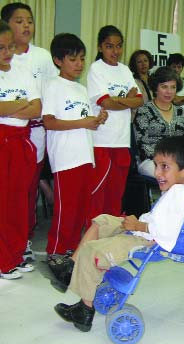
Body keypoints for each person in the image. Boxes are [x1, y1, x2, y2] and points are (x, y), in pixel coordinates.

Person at [53, 136, 184, 332]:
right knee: (103, 221)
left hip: (146, 240)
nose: (157, 172)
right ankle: (71, 268)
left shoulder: (178, 194)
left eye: (164, 166)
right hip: (143, 229)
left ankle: (85, 310)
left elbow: (167, 232)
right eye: (156, 165)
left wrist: (139, 225)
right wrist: (140, 222)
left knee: (93, 250)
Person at [42, 34, 107, 262]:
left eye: (81, 58)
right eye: (73, 59)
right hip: (66, 159)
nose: (79, 64)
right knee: (66, 209)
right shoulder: (52, 86)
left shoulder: (81, 90)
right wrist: (84, 122)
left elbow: (85, 122)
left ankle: (71, 249)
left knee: (80, 209)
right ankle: (56, 251)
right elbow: (48, 122)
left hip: (85, 157)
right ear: (58, 60)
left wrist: (97, 119)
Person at [1, 2, 58, 261]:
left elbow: (42, 101)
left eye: (30, 21)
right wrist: (22, 106)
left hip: (33, 134)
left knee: (26, 190)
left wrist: (14, 108)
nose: (26, 26)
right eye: (19, 20)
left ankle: (21, 241)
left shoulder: (41, 57)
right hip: (7, 136)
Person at [87, 25, 143, 220]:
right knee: (98, 193)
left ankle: (110, 233)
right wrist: (126, 101)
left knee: (116, 193)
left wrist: (117, 100)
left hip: (122, 140)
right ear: (100, 47)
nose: (115, 51)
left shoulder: (125, 70)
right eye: (109, 46)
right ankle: (93, 234)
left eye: (119, 46)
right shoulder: (96, 69)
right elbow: (106, 102)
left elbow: (139, 100)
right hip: (102, 141)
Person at [0, 20, 41, 278]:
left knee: (18, 203)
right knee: (3, 203)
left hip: (22, 142)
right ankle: (4, 260)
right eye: (1, 47)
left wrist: (9, 105)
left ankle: (15, 254)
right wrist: (20, 103)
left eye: (10, 47)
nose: (7, 52)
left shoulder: (22, 71)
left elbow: (36, 108)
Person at [133, 66, 184, 178]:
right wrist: (167, 160)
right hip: (150, 161)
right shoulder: (144, 111)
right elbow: (143, 146)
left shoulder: (180, 112)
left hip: (177, 162)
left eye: (173, 87)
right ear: (155, 88)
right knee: (171, 175)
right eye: (164, 87)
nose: (169, 92)